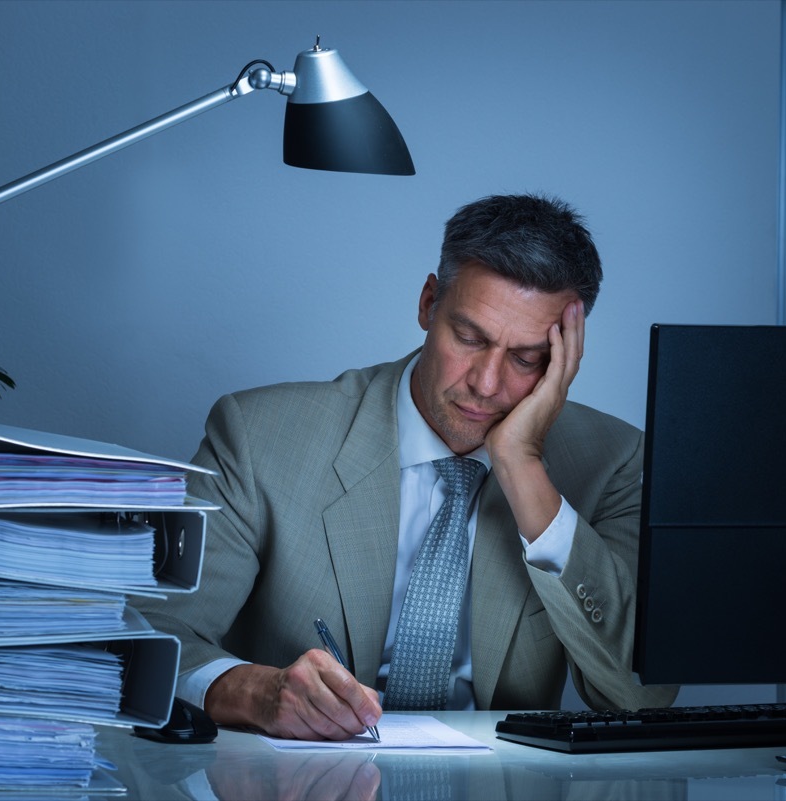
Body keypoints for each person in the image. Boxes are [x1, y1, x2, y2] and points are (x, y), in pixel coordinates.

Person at [142, 193, 679, 741]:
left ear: (566, 360)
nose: (486, 384)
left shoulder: (612, 461)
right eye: (469, 338)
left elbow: (641, 695)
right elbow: (150, 631)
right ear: (428, 303)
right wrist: (256, 692)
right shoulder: (260, 437)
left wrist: (521, 466)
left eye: (526, 360)